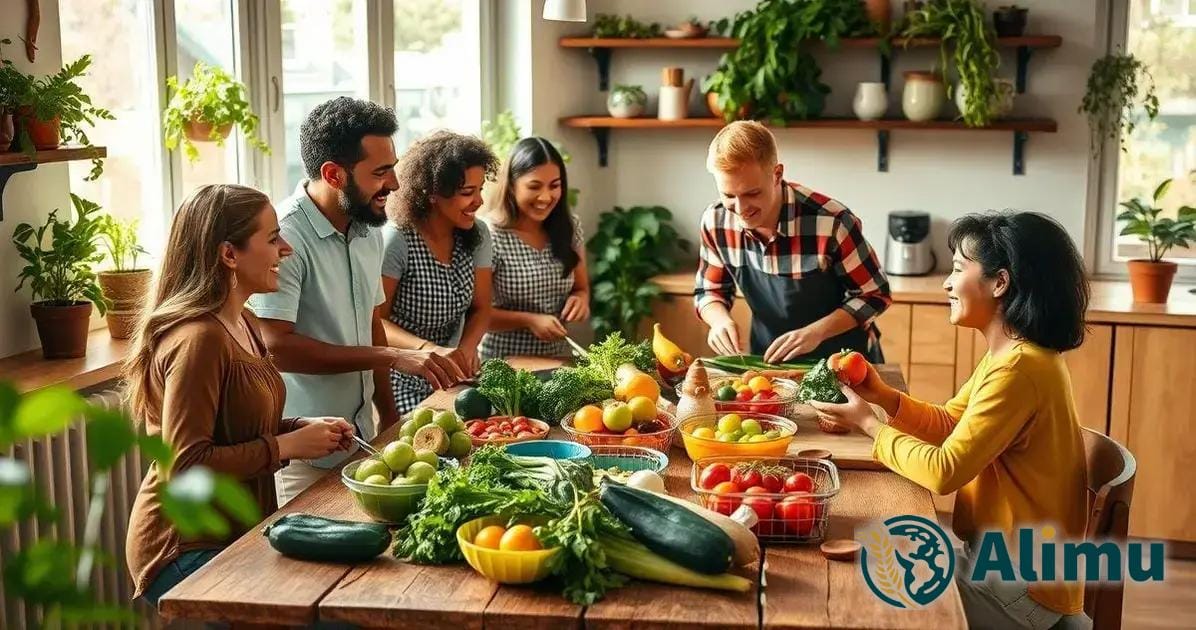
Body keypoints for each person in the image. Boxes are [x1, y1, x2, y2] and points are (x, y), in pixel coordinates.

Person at [809, 211, 1092, 629]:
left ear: (999, 282)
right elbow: (950, 424)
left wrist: (871, 425)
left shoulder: (1019, 370)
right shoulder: (1014, 356)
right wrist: (883, 397)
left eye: (958, 269)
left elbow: (944, 472)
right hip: (1002, 567)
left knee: (855, 591)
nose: (946, 283)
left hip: (1020, 589)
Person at [124, 185, 355, 608]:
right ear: (229, 254)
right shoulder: (199, 339)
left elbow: (232, 426)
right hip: (186, 549)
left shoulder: (243, 321)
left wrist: (299, 429)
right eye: (273, 238)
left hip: (237, 534)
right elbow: (185, 465)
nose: (286, 249)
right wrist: (285, 446)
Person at [249, 98, 463, 505]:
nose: (395, 184)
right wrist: (392, 357)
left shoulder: (367, 229)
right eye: (380, 172)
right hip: (303, 454)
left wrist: (389, 416)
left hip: (362, 438)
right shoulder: (285, 237)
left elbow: (371, 323)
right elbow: (276, 348)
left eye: (392, 168)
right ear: (333, 174)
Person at [695, 121, 891, 363]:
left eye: (752, 193)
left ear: (777, 175)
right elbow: (710, 290)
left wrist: (816, 333)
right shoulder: (715, 222)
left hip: (844, 361)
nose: (741, 209)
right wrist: (719, 321)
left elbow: (875, 294)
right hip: (769, 363)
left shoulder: (832, 222)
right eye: (728, 195)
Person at [381, 130, 497, 414]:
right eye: (467, 192)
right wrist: (425, 349)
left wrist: (467, 349)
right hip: (402, 382)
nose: (479, 201)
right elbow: (377, 323)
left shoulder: (478, 234)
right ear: (432, 194)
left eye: (480, 189)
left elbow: (482, 308)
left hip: (455, 378)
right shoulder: (398, 240)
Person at [480, 137, 589, 360]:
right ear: (511, 185)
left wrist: (581, 300)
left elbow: (581, 288)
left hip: (557, 360)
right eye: (534, 186)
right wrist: (529, 320)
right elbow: (476, 314)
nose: (546, 197)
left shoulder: (569, 227)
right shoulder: (488, 235)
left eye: (555, 186)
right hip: (503, 363)